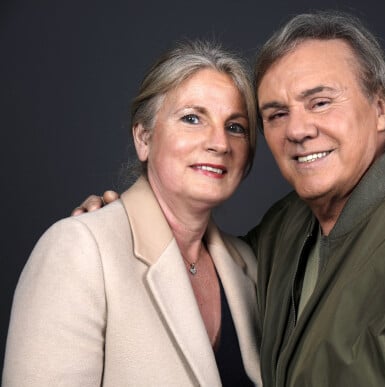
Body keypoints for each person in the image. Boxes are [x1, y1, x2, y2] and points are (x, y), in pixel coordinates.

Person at [68, 10, 385, 386]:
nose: (298, 129)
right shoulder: (286, 227)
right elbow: (194, 266)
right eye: (275, 114)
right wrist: (121, 225)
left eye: (320, 102)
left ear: (380, 107)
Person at [3, 40, 262, 386]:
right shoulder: (79, 250)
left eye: (235, 126)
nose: (219, 143)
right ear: (143, 138)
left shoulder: (248, 264)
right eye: (192, 118)